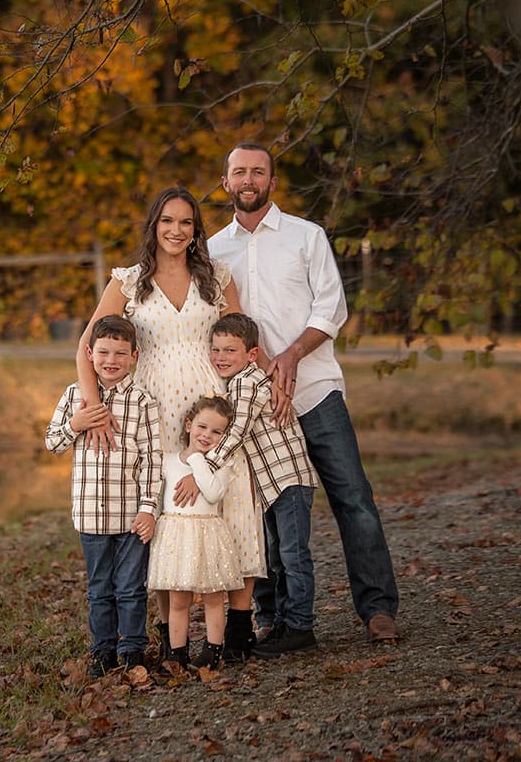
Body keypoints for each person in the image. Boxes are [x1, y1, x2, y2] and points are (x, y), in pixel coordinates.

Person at [208, 142, 401, 643]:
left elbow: (331, 308)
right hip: (255, 406)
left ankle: (378, 608)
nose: (248, 180)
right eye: (239, 172)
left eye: (258, 171)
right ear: (226, 182)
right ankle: (274, 617)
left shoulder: (305, 236)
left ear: (272, 181)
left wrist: (291, 355)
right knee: (267, 512)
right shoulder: (212, 250)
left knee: (353, 498)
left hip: (314, 390)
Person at [74, 185, 264, 664]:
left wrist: (263, 385)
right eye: (167, 221)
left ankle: (236, 629)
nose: (176, 231)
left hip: (210, 405)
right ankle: (170, 634)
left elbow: (240, 339)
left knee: (232, 504)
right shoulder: (129, 280)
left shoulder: (215, 277)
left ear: (196, 230)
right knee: (164, 518)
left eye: (186, 222)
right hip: (153, 410)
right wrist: (95, 408)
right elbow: (86, 346)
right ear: (153, 225)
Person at [46, 314, 162, 677]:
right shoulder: (73, 396)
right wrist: (75, 425)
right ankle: (103, 649)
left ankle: (131, 648)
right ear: (89, 353)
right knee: (99, 589)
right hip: (91, 516)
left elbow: (152, 460)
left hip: (130, 516)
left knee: (130, 587)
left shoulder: (142, 401)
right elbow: (52, 443)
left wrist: (148, 509)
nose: (111, 361)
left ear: (134, 356)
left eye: (120, 353)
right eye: (103, 352)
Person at [207, 312, 319, 658]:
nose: (221, 357)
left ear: (251, 355)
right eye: (216, 350)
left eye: (230, 350)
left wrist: (207, 465)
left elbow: (236, 431)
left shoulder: (248, 382)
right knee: (278, 558)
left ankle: (301, 626)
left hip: (289, 480)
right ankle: (284, 622)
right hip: (273, 486)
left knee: (293, 555)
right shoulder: (237, 381)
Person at [147, 395, 245, 671]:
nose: (207, 435)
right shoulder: (168, 461)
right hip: (176, 536)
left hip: (207, 533)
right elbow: (156, 496)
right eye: (202, 427)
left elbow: (213, 492)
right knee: (178, 600)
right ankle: (177, 654)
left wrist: (198, 460)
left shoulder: (221, 465)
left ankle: (213, 651)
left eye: (217, 432)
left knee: (213, 598)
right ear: (189, 425)